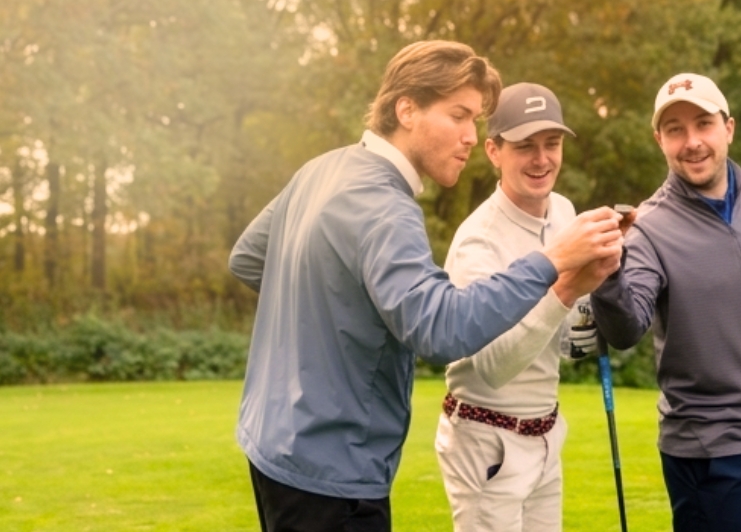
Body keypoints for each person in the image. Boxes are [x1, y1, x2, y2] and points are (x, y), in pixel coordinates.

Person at [228, 40, 624, 532]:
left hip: (272, 445)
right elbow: (441, 329)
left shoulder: (323, 168)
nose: (469, 138)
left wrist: (333, 318)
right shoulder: (386, 206)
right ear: (406, 109)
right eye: (458, 116)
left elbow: (248, 259)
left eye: (475, 122)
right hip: (335, 472)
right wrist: (552, 262)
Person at [590, 72, 741, 532]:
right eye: (675, 130)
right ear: (659, 140)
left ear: (728, 127)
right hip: (711, 456)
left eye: (703, 123)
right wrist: (606, 274)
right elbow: (626, 330)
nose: (692, 142)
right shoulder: (647, 226)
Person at [434, 82, 609, 532]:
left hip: (545, 431)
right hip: (484, 442)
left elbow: (567, 340)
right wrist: (568, 289)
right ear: (493, 151)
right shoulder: (478, 241)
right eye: (525, 146)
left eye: (551, 144)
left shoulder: (565, 213)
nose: (542, 159)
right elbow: (492, 367)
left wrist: (593, 308)